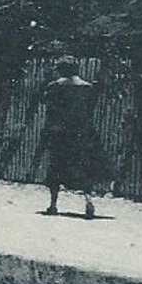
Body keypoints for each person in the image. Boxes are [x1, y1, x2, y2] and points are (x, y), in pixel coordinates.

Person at [40, 56, 100, 218]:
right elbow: (89, 110)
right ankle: (88, 201)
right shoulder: (88, 87)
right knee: (83, 167)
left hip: (61, 133)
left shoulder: (55, 87)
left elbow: (51, 111)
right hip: (82, 133)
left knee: (56, 168)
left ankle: (53, 204)